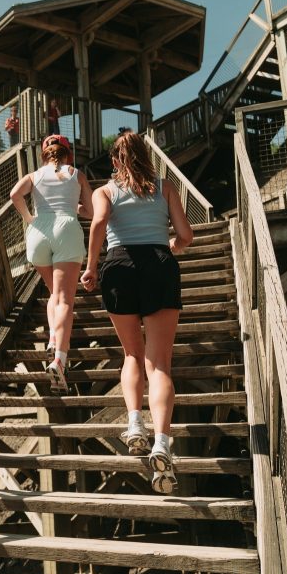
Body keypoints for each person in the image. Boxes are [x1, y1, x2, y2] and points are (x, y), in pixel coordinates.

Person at [80, 129, 193, 494]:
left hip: (119, 266)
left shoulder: (105, 191)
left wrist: (91, 267)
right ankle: (161, 443)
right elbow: (186, 236)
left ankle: (134, 425)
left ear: (115, 162)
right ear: (146, 156)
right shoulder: (165, 187)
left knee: (132, 354)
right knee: (159, 364)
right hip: (159, 263)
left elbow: (98, 223)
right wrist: (170, 245)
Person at [10, 134, 93, 392]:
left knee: (54, 295)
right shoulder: (76, 174)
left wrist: (29, 217)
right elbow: (91, 211)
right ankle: (60, 357)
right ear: (68, 153)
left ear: (44, 154)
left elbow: (15, 194)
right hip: (66, 229)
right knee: (66, 299)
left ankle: (52, 339)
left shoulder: (34, 176)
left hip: (39, 232)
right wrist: (74, 207)